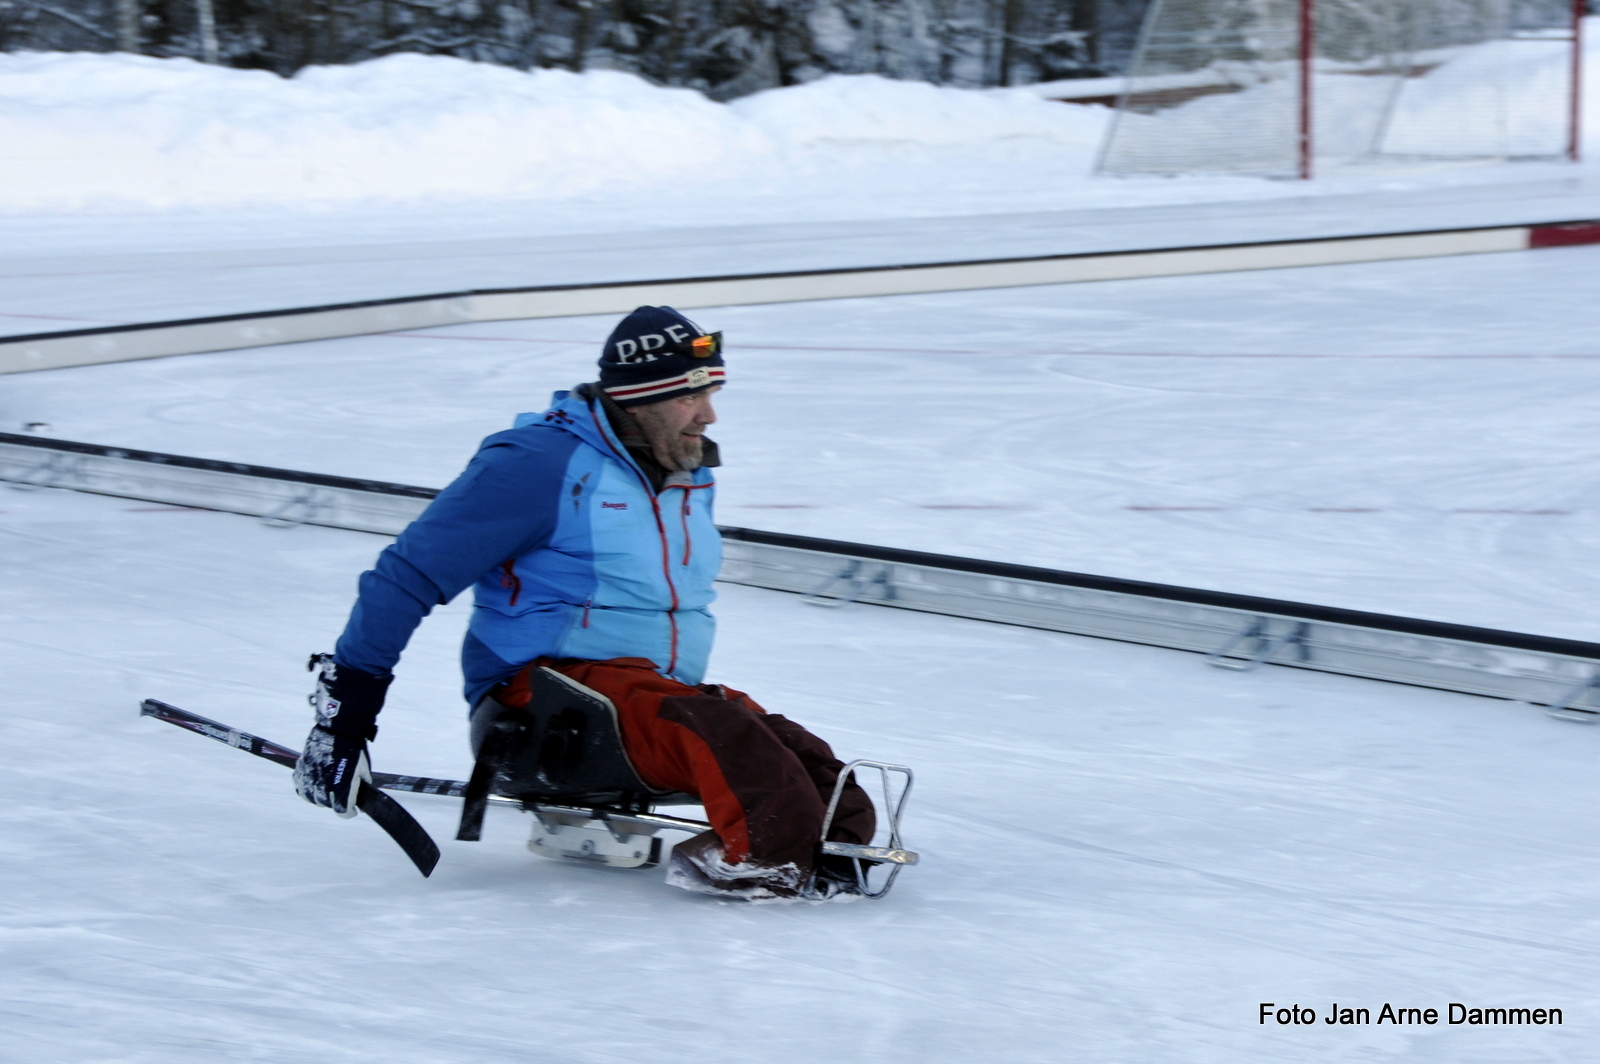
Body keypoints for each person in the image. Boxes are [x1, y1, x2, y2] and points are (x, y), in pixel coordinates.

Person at [291, 305, 874, 899]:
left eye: (712, 391)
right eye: (690, 396)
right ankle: (766, 862)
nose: (708, 413)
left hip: (639, 696)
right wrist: (345, 722)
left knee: (788, 747)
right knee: (722, 734)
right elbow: (406, 575)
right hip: (540, 706)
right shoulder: (539, 465)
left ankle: (837, 849)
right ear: (637, 399)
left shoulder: (684, 471)